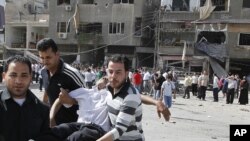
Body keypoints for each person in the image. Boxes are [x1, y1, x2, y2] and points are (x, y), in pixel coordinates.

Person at [37, 55, 171, 141]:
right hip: (90, 128)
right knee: (54, 132)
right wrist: (156, 102)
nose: (113, 76)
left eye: (118, 72)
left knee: (74, 138)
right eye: (110, 72)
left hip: (125, 139)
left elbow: (118, 130)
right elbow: (138, 96)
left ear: (127, 73)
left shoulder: (130, 96)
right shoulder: (110, 88)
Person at [0, 55, 50, 141]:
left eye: (24, 75)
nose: (18, 81)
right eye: (13, 75)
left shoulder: (42, 110)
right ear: (4, 76)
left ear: (30, 78)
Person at [37, 38, 85, 125]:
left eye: (48, 57)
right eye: (42, 58)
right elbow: (48, 91)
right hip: (53, 125)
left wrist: (71, 101)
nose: (44, 61)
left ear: (57, 54)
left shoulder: (71, 74)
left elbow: (90, 100)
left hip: (73, 127)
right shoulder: (43, 71)